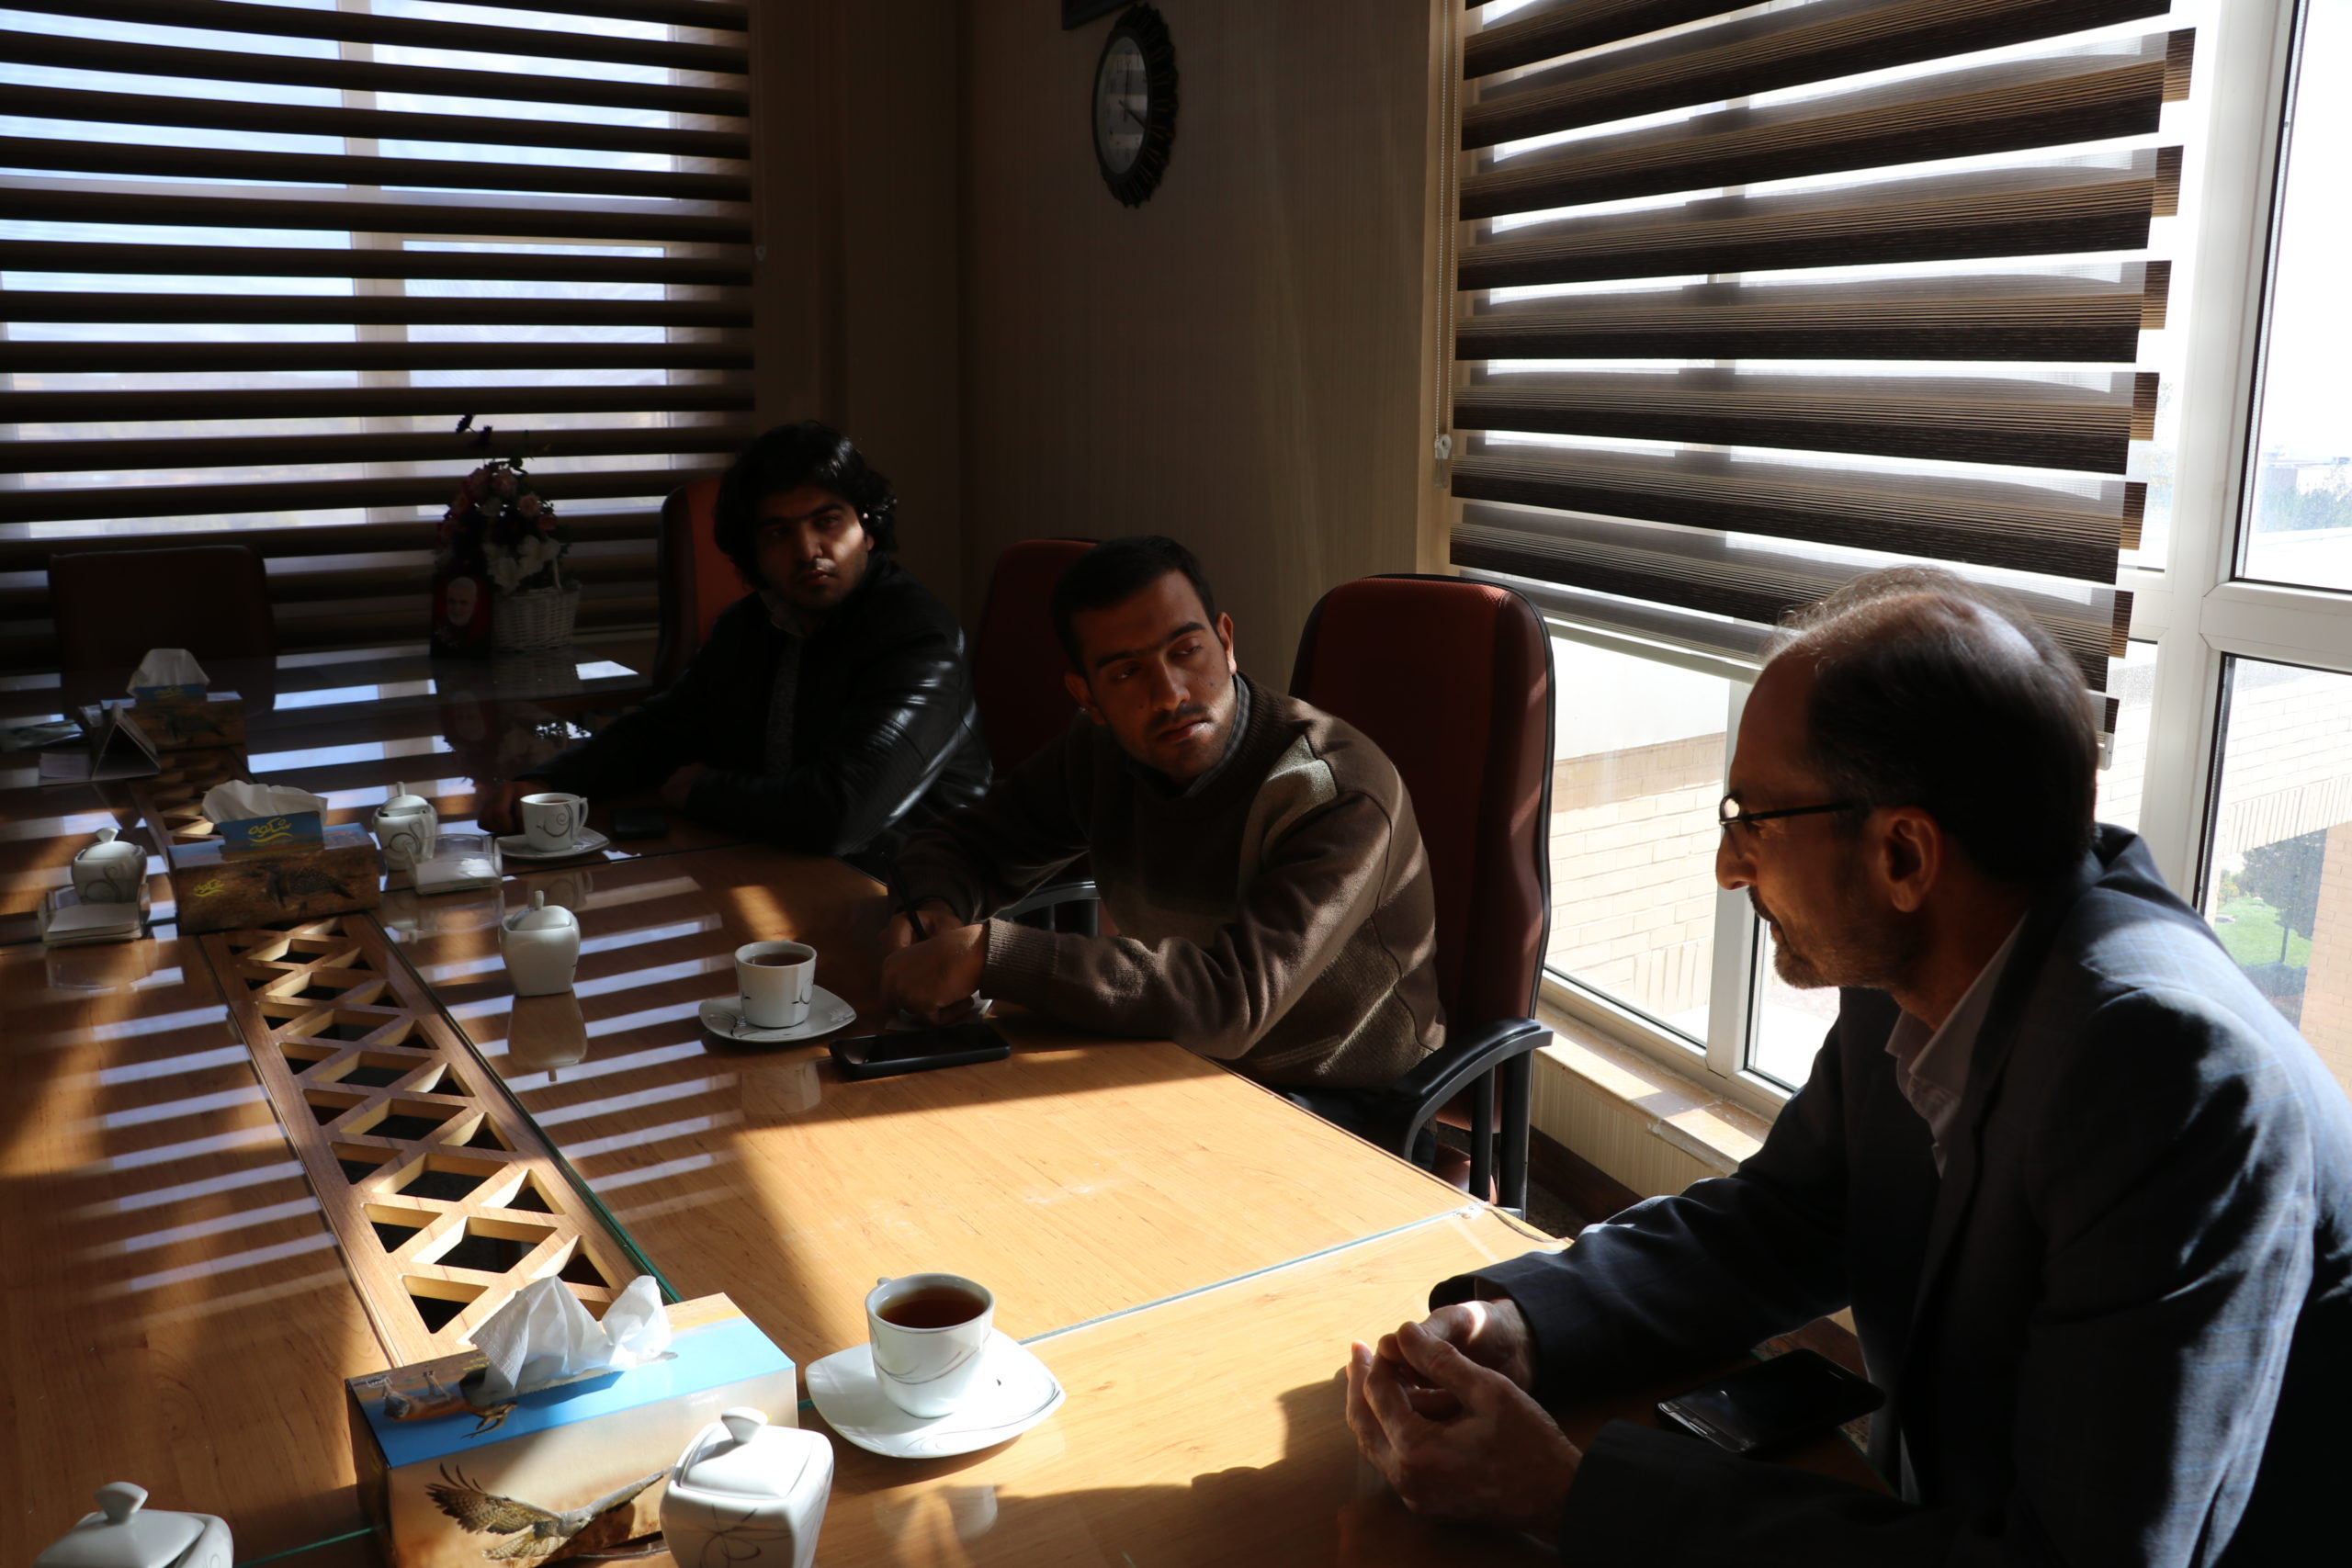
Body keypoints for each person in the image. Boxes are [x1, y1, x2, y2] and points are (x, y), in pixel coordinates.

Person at [1344, 567, 2352, 1562]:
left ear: (1903, 855)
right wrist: (1526, 1322)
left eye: (1752, 820)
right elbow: (1787, 1219)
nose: (1728, 866)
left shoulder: (2164, 1076)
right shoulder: (1934, 955)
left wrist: (1570, 1497)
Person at [876, 535, 1444, 1100]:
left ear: (1225, 642)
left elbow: (1232, 1002)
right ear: (1087, 697)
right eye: (1127, 673)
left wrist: (991, 957)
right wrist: (929, 908)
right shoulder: (1100, 751)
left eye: (1186, 650)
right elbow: (972, 846)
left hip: (1340, 1104)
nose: (1170, 695)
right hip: (1167, 1060)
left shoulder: (1333, 790)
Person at [478, 423, 989, 866]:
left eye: (827, 520)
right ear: (753, 555)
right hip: (775, 862)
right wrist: (549, 783)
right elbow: (662, 730)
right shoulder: (752, 624)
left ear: (868, 528)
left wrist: (702, 792)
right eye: (778, 533)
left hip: (912, 892)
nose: (808, 550)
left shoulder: (920, 640)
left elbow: (841, 815)